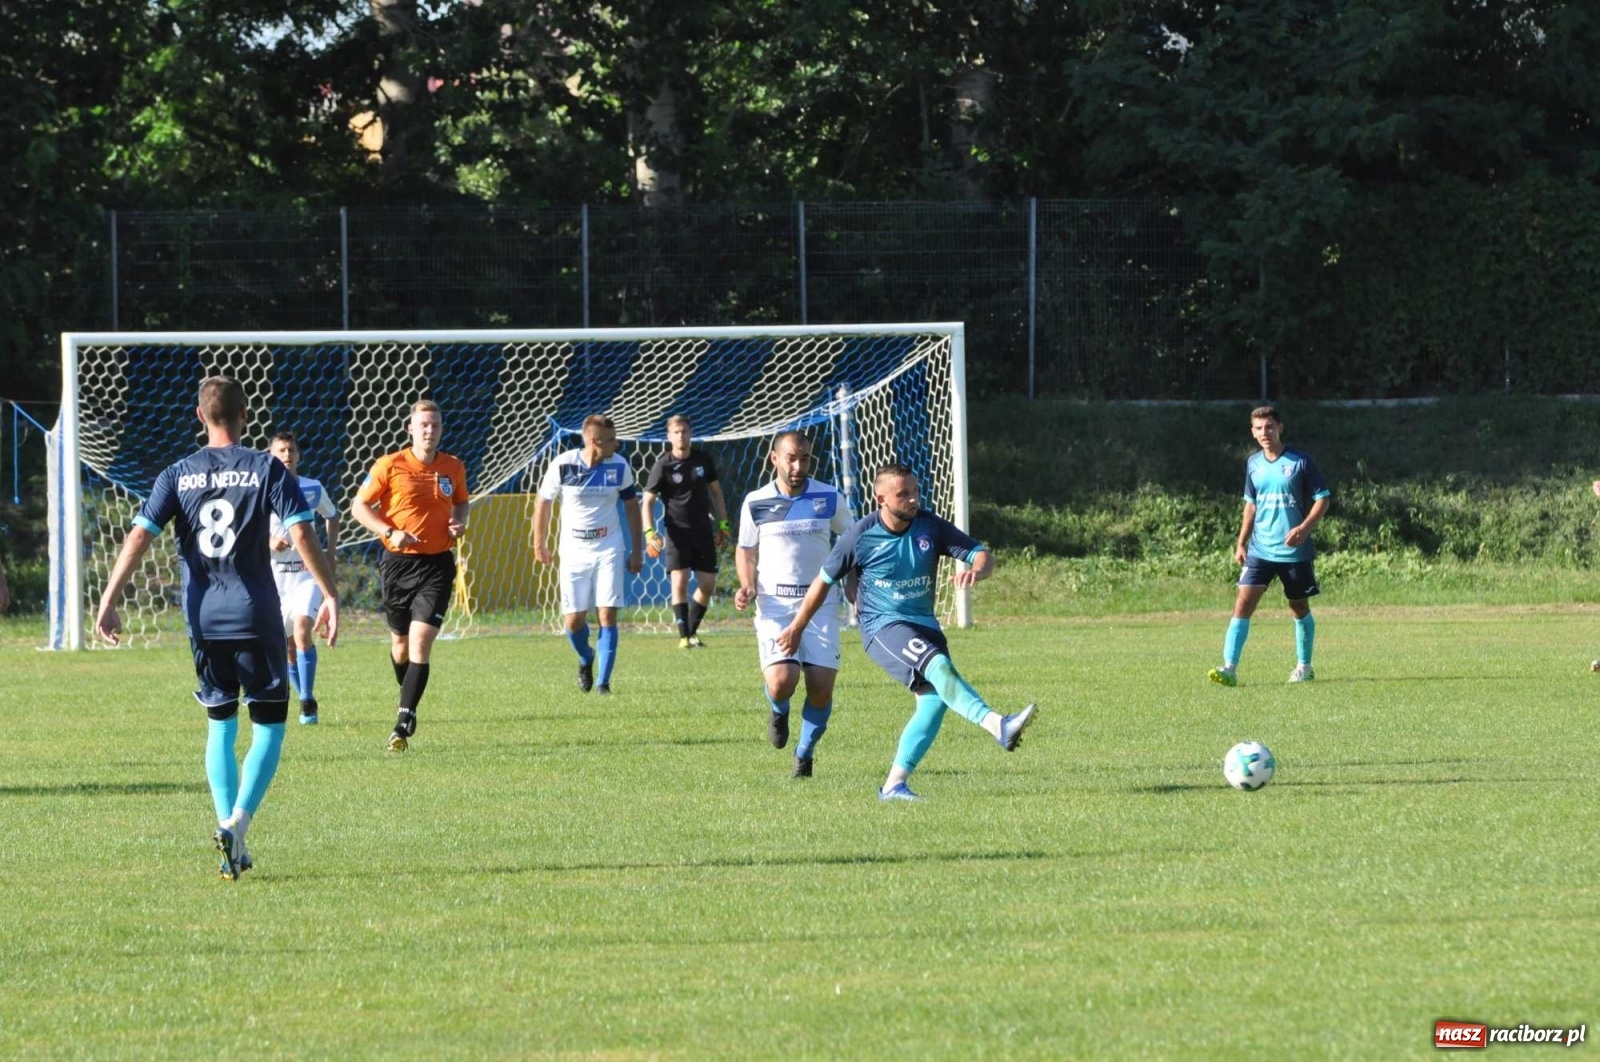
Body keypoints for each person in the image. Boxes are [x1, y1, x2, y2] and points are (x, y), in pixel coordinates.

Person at [94, 376, 339, 880]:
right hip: (255, 614)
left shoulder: (176, 474)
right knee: (269, 726)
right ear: (244, 415)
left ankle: (229, 835)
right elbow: (301, 531)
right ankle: (239, 822)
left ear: (199, 416)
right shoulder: (266, 467)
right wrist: (331, 593)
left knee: (220, 724)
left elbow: (139, 536)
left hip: (203, 619)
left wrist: (109, 598)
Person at [778, 463, 1036, 800]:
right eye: (903, 494)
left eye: (915, 491)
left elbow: (981, 554)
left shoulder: (929, 526)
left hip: (926, 626)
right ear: (881, 498)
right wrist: (797, 627)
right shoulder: (859, 536)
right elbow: (822, 583)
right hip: (883, 628)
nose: (913, 499)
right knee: (938, 668)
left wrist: (977, 571)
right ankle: (998, 725)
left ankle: (893, 785)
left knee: (933, 703)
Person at [349, 399, 470, 751]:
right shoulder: (390, 465)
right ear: (411, 429)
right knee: (400, 646)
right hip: (398, 565)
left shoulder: (453, 466)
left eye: (435, 424)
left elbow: (461, 501)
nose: (429, 430)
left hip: (437, 564)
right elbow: (359, 507)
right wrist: (388, 531)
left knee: (420, 642)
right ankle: (409, 696)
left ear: (441, 429)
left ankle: (402, 720)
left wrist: (461, 521)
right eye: (423, 425)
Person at [734, 432, 854, 777]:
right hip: (775, 605)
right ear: (774, 459)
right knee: (782, 680)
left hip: (820, 604)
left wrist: (852, 579)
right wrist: (746, 584)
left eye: (805, 458)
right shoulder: (756, 501)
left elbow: (852, 541)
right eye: (791, 458)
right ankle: (778, 708)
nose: (798, 466)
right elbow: (745, 550)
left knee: (820, 687)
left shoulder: (829, 497)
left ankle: (804, 754)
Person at [1207, 404, 1332, 687]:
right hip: (1260, 549)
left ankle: (1304, 667)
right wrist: (1241, 543)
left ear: (1280, 428)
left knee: (1298, 606)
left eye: (1269, 427)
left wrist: (1303, 528)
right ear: (1253, 432)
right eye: (1259, 428)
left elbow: (1323, 498)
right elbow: (1250, 506)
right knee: (1242, 602)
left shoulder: (1300, 462)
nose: (1265, 432)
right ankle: (1229, 668)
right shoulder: (1253, 464)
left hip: (1294, 551)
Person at [534, 415, 644, 694]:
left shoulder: (619, 466)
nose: (617, 445)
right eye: (611, 440)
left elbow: (632, 507)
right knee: (573, 620)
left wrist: (637, 551)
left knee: (607, 615)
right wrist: (540, 543)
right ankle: (586, 657)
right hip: (573, 549)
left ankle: (603, 684)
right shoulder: (563, 464)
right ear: (594, 441)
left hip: (609, 545)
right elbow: (543, 502)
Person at [267, 431, 340, 725]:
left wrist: (330, 553)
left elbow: (332, 516)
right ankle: (301, 698)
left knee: (301, 631)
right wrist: (267, 540)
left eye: (291, 450)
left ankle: (308, 698)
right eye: (281, 451)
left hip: (306, 576)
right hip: (274, 579)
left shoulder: (312, 488)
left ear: (298, 455)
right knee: (286, 646)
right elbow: (245, 527)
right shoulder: (260, 489)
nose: (287, 455)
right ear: (270, 456)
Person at [642, 415, 731, 648]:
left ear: (690, 434)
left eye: (684, 431)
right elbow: (647, 501)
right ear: (669, 436)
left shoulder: (703, 460)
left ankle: (691, 632)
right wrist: (649, 533)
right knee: (679, 581)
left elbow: (716, 493)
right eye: (676, 432)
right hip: (676, 533)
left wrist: (723, 524)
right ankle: (684, 637)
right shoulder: (663, 464)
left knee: (708, 584)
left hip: (702, 531)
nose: (681, 435)